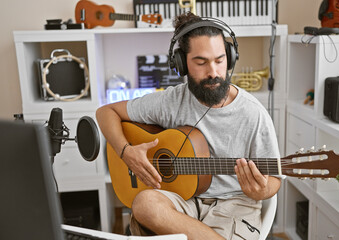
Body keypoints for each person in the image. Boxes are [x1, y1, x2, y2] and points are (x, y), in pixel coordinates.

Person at [96, 12, 281, 240]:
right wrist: (126, 152)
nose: (213, 72)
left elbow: (274, 179)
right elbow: (106, 112)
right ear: (181, 64)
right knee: (143, 204)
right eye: (201, 62)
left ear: (230, 58)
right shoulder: (171, 101)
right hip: (183, 199)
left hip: (234, 203)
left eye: (220, 60)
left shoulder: (254, 114)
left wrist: (261, 190)